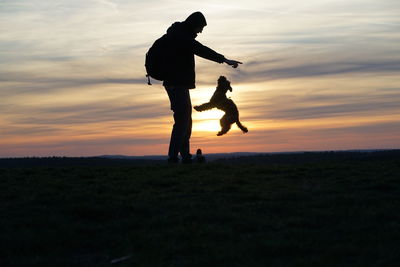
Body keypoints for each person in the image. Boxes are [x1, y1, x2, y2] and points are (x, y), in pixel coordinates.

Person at [163, 11, 242, 163]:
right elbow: (201, 49)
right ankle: (174, 157)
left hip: (178, 83)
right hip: (176, 83)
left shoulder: (179, 34)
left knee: (185, 119)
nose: (200, 32)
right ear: (194, 24)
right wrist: (224, 59)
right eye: (200, 28)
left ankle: (184, 156)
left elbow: (198, 48)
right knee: (182, 120)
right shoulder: (182, 37)